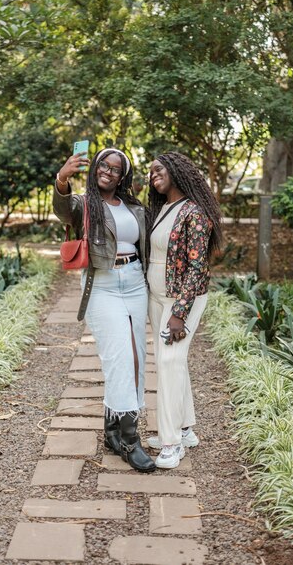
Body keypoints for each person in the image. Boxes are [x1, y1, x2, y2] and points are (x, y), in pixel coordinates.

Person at [53, 148, 156, 472]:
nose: (108, 171)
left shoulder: (134, 208)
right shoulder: (85, 204)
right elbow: (64, 211)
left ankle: (113, 431)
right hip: (103, 285)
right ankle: (130, 439)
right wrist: (62, 179)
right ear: (95, 168)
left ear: (123, 176)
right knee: (120, 356)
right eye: (103, 165)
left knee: (136, 357)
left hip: (135, 283)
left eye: (115, 168)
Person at [146, 151, 222, 469]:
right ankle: (185, 428)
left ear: (176, 171)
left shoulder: (195, 212)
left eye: (159, 170)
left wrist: (180, 311)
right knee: (173, 363)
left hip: (182, 301)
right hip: (156, 297)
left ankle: (171, 443)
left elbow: (196, 267)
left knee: (168, 362)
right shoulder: (162, 208)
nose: (153, 176)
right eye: (150, 172)